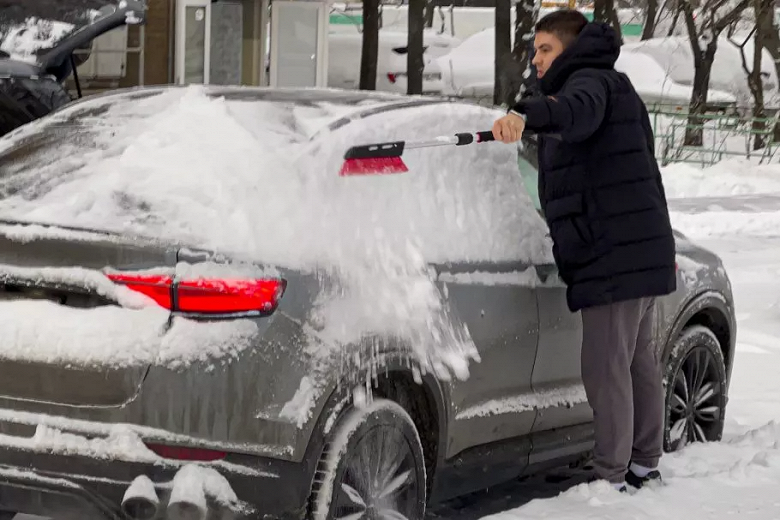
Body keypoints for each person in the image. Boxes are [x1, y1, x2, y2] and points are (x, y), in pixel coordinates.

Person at [492, 10, 677, 492]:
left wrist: (526, 114)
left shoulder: (589, 84)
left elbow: (573, 112)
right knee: (635, 362)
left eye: (545, 49)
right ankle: (643, 464)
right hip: (635, 248)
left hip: (612, 254)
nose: (536, 60)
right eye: (534, 50)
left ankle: (610, 478)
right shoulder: (613, 85)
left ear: (570, 50)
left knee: (605, 367)